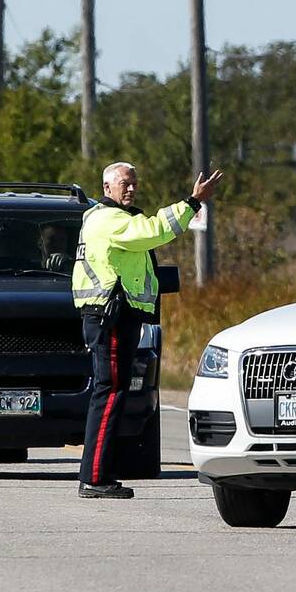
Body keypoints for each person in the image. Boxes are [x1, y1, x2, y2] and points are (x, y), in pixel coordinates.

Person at [71, 161, 223, 499]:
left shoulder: (103, 218)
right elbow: (154, 231)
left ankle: (99, 474)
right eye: (124, 183)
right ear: (106, 187)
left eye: (134, 183)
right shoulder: (110, 220)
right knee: (109, 394)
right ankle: (94, 478)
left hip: (111, 317)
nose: (131, 188)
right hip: (110, 317)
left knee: (110, 393)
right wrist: (193, 202)